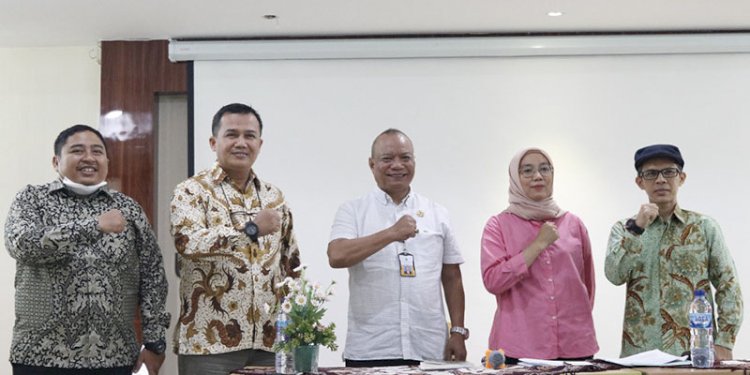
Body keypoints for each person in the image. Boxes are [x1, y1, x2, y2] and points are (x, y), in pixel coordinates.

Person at [4, 124, 170, 375]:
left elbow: (152, 275)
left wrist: (155, 343)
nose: (89, 158)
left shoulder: (128, 208)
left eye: (97, 151)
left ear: (106, 160)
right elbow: (22, 244)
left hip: (115, 356)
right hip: (41, 356)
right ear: (56, 161)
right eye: (77, 151)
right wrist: (93, 226)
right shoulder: (32, 199)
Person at [170, 103, 301, 375]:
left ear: (260, 144)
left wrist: (298, 328)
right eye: (232, 134)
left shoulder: (274, 198)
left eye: (249, 136)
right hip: (208, 345)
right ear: (213, 141)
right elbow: (186, 242)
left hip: (270, 344)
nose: (241, 142)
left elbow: (291, 266)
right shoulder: (192, 191)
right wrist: (250, 231)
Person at [327, 128, 467, 367]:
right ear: (372, 164)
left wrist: (457, 331)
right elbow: (337, 255)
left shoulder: (437, 213)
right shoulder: (353, 210)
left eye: (405, 158)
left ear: (414, 162)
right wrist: (391, 233)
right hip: (371, 348)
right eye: (387, 159)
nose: (397, 165)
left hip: (429, 348)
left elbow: (452, 277)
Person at [605, 144, 743, 359]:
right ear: (639, 182)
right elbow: (614, 275)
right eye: (651, 174)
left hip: (695, 353)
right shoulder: (624, 229)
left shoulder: (704, 227)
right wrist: (636, 229)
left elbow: (728, 285)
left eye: (669, 172)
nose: (661, 180)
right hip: (641, 354)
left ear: (682, 178)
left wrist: (725, 342)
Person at [480, 147, 598, 363]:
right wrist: (538, 245)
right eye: (527, 171)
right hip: (519, 345)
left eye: (545, 169)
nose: (538, 176)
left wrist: (576, 322)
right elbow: (493, 280)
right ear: (515, 178)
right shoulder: (498, 225)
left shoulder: (574, 223)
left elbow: (587, 284)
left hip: (575, 344)